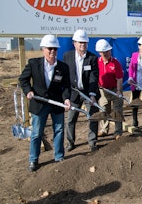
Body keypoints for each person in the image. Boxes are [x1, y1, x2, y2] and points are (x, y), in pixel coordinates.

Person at [19, 34, 71, 172]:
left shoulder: (63, 67)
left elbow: (66, 86)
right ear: (43, 49)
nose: (52, 51)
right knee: (36, 133)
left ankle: (59, 156)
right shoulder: (33, 64)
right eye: (49, 48)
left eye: (55, 49)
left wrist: (66, 99)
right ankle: (33, 160)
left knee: (59, 130)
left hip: (56, 103)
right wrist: (28, 91)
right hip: (39, 103)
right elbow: (23, 80)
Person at [63, 29, 100, 152]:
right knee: (71, 119)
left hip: (88, 92)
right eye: (80, 42)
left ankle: (92, 141)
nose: (82, 45)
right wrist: (66, 97)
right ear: (74, 43)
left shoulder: (92, 58)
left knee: (93, 116)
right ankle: (70, 142)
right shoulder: (67, 56)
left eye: (84, 42)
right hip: (74, 92)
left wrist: (92, 94)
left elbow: (93, 77)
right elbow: (65, 78)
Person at [95, 39, 124, 139]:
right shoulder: (97, 63)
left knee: (117, 110)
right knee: (104, 109)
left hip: (115, 89)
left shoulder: (115, 63)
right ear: (100, 53)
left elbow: (119, 78)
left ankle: (118, 132)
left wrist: (119, 90)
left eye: (108, 51)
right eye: (104, 52)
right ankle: (104, 129)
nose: (107, 53)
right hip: (103, 90)